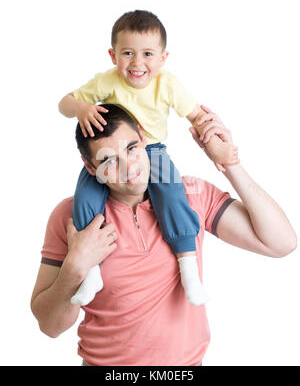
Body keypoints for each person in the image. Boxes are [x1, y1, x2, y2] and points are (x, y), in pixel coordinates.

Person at [31, 105, 296, 366]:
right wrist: (75, 267)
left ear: (144, 139)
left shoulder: (191, 195)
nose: (129, 168)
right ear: (90, 168)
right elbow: (50, 327)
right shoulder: (70, 218)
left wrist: (230, 163)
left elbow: (281, 243)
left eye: (132, 148)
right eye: (109, 161)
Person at [58, 10, 238, 307]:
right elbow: (63, 103)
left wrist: (218, 149)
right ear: (113, 55)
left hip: (150, 151)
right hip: (107, 158)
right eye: (127, 53)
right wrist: (80, 109)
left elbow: (197, 117)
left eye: (148, 54)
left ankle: (187, 265)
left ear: (163, 58)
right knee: (85, 197)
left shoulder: (167, 85)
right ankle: (93, 271)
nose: (137, 63)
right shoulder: (107, 81)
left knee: (172, 194)